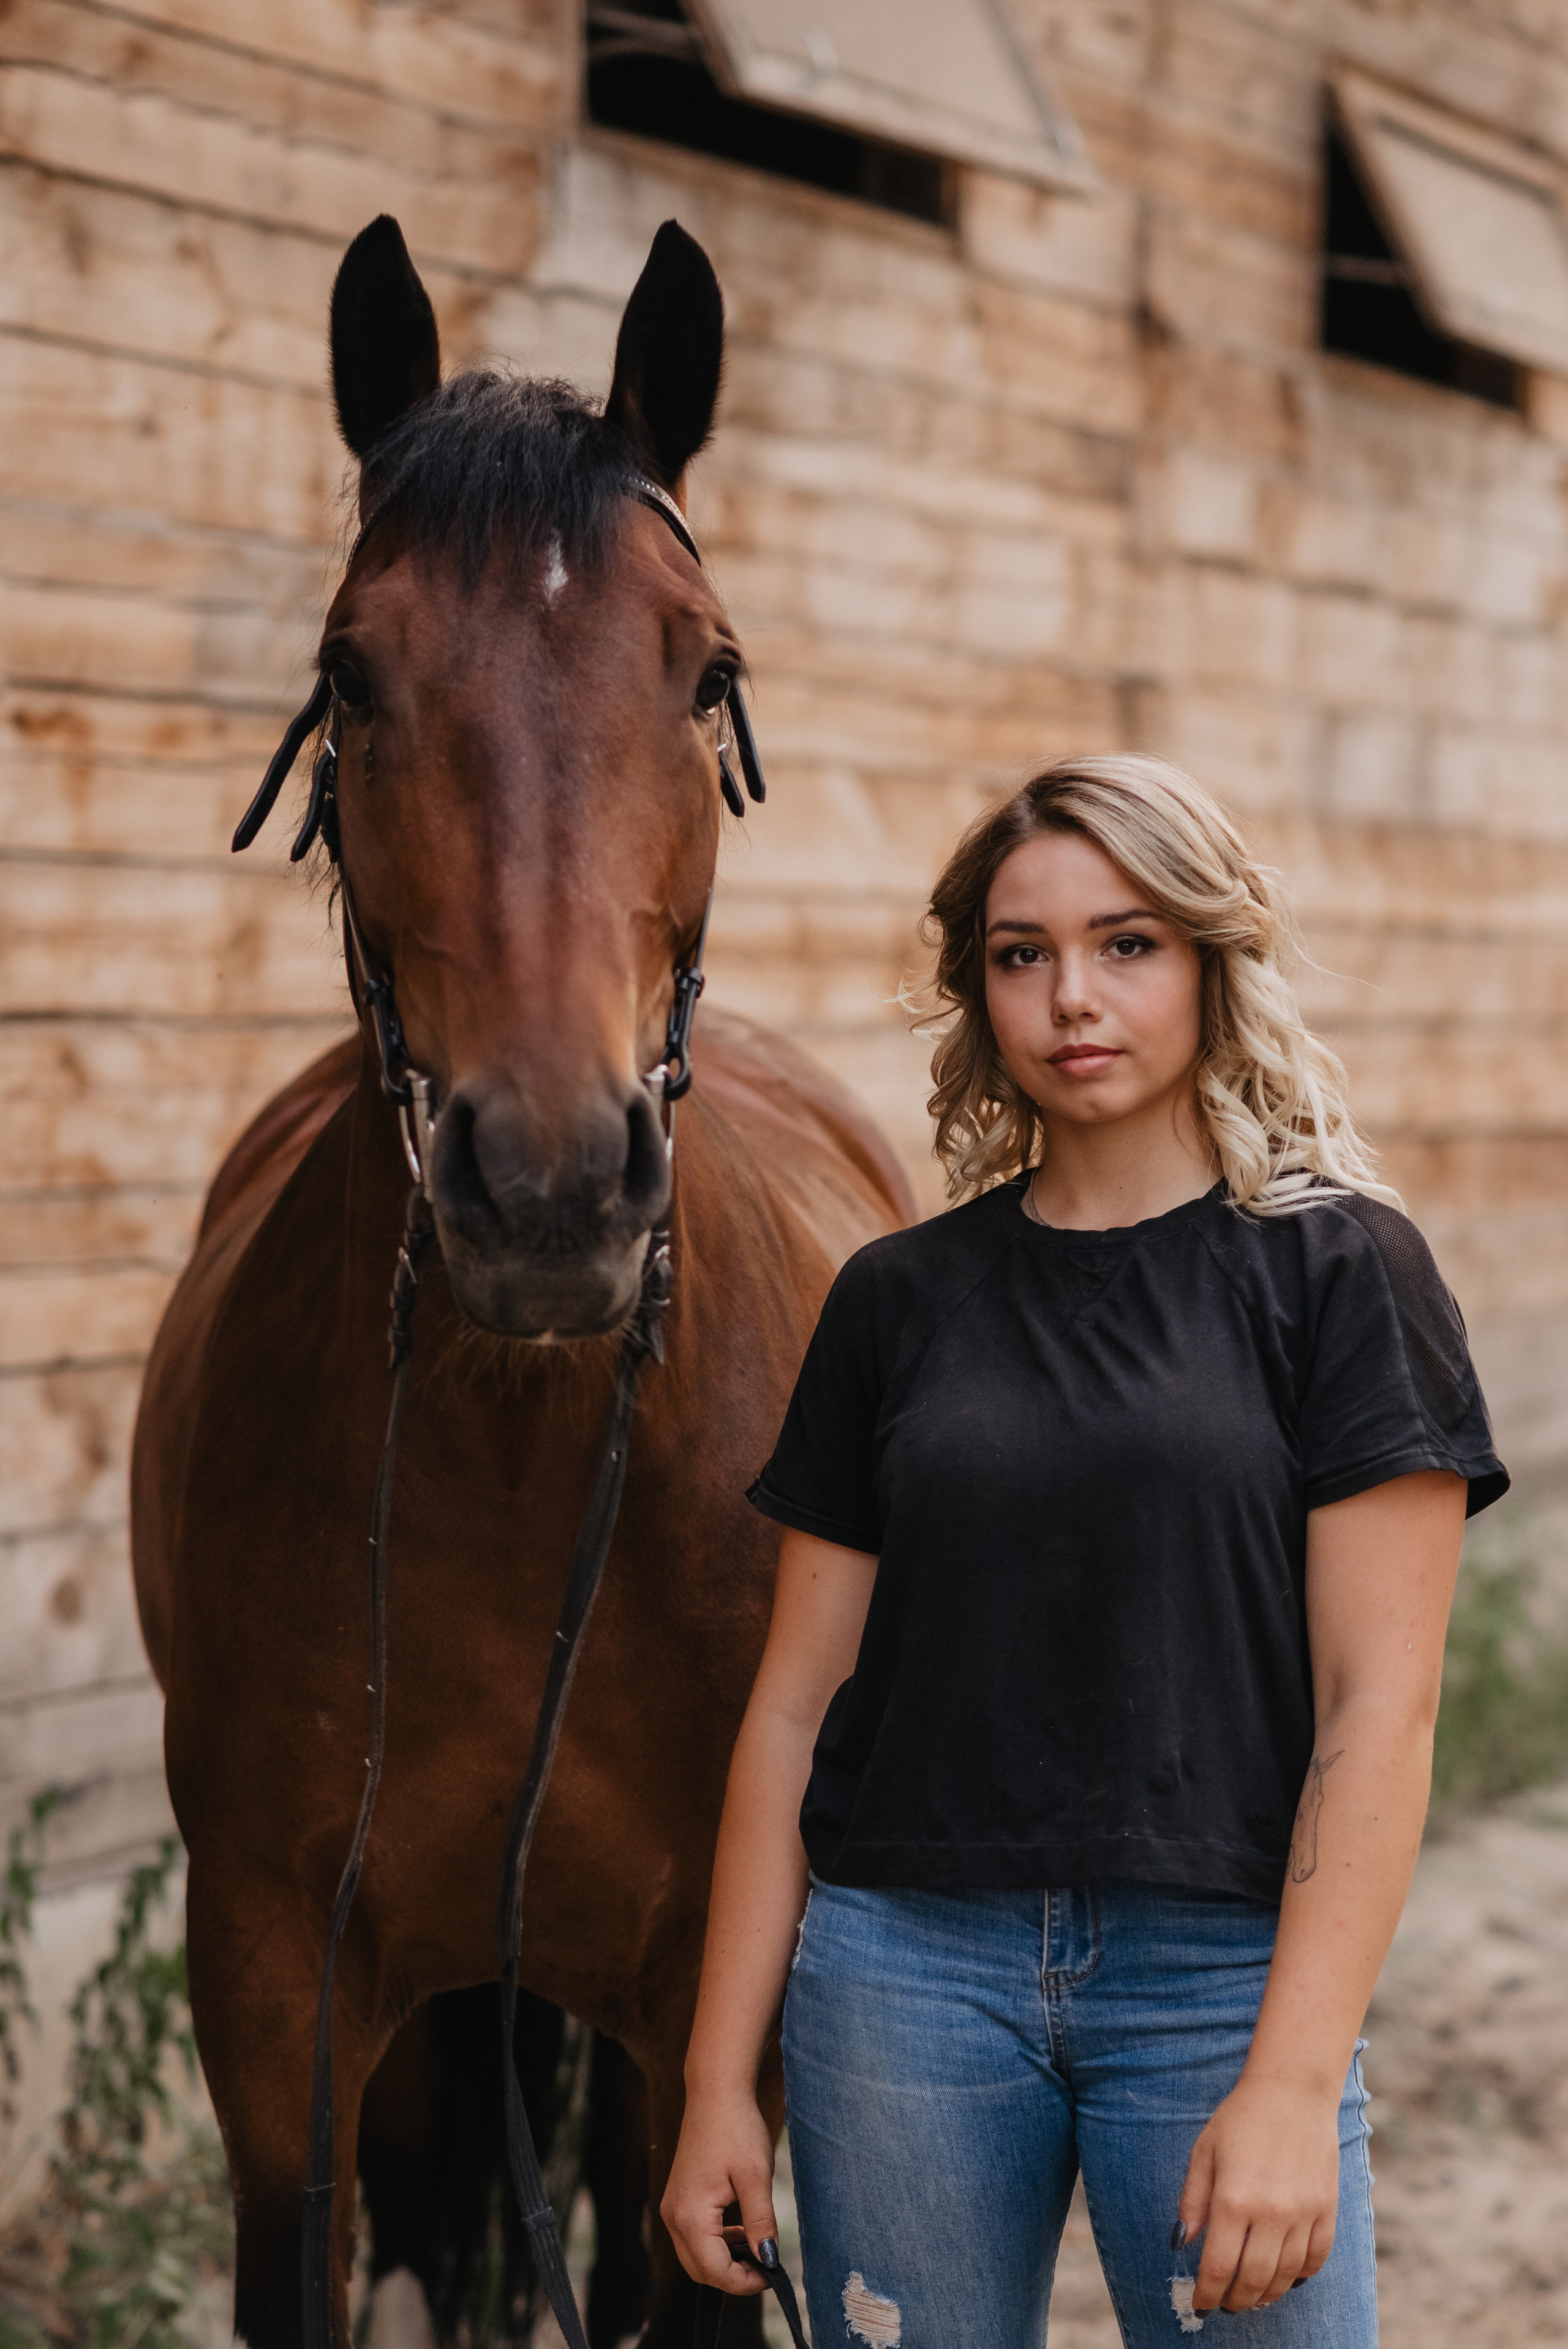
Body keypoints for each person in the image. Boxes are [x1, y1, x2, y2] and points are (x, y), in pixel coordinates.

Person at [661, 754, 1507, 2347]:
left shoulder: (1340, 1273)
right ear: (980, 989)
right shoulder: (897, 1301)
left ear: (1208, 957)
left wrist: (1293, 2073)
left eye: (1127, 942)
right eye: (1021, 952)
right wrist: (721, 2082)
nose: (1072, 996)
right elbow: (790, 1710)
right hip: (905, 1980)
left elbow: (1375, 1711)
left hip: (1218, 1971)